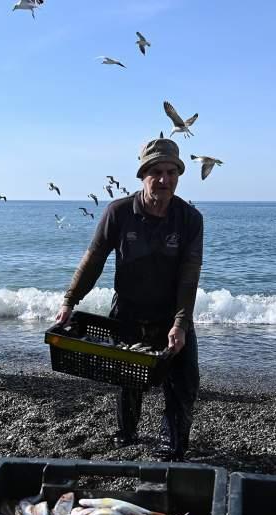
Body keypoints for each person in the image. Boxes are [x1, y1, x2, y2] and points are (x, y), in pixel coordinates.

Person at [55, 137, 203, 461]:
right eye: (156, 172)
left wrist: (180, 323)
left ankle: (172, 446)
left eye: (171, 172)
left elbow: (189, 276)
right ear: (142, 175)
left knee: (184, 382)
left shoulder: (191, 219)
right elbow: (93, 260)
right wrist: (69, 301)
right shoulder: (118, 212)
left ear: (178, 175)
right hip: (129, 312)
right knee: (129, 379)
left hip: (171, 314)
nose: (164, 180)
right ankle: (127, 434)